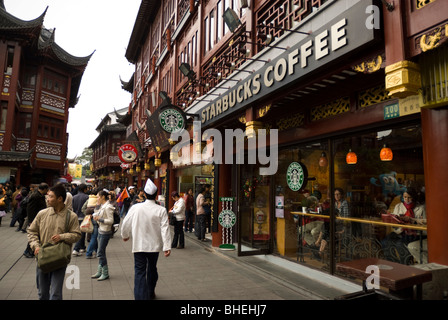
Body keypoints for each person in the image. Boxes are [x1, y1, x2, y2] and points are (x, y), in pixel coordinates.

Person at [27, 183, 81, 300]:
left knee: (55, 294)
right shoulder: (42, 214)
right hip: (43, 257)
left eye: (51, 196)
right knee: (42, 293)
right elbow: (32, 232)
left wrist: (62, 236)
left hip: (59, 258)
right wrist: (35, 246)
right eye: (47, 196)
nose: (47, 198)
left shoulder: (71, 216)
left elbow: (77, 235)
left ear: (60, 199)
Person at [121, 179, 171, 300]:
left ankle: (141, 297)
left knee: (139, 272)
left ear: (144, 193)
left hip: (139, 245)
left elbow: (126, 223)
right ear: (156, 194)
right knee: (152, 268)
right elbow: (165, 228)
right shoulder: (161, 210)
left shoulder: (135, 208)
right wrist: (167, 246)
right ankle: (150, 292)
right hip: (154, 246)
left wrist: (125, 235)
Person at [91, 190, 115, 281]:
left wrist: (100, 220)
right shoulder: (102, 206)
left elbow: (110, 221)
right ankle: (100, 271)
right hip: (101, 230)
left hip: (105, 232)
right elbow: (96, 213)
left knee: (100, 252)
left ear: (103, 197)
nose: (97, 198)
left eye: (98, 197)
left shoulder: (108, 207)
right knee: (101, 252)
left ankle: (105, 273)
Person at [23, 183, 49, 258]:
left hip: (39, 219)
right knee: (35, 235)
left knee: (37, 235)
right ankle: (27, 251)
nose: (47, 191)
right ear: (44, 189)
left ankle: (31, 250)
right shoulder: (35, 196)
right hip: (35, 219)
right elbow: (30, 209)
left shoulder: (40, 195)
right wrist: (31, 221)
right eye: (47, 190)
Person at [72, 184, 89, 256]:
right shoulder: (86, 197)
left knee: (81, 232)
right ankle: (76, 249)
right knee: (81, 233)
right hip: (83, 216)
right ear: (85, 189)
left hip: (76, 216)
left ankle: (82, 247)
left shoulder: (74, 197)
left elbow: (73, 207)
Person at [84, 192, 100, 259]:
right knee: (94, 237)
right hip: (95, 219)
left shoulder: (89, 199)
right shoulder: (98, 200)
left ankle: (95, 251)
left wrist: (87, 215)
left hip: (89, 218)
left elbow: (83, 208)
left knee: (94, 236)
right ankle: (89, 253)